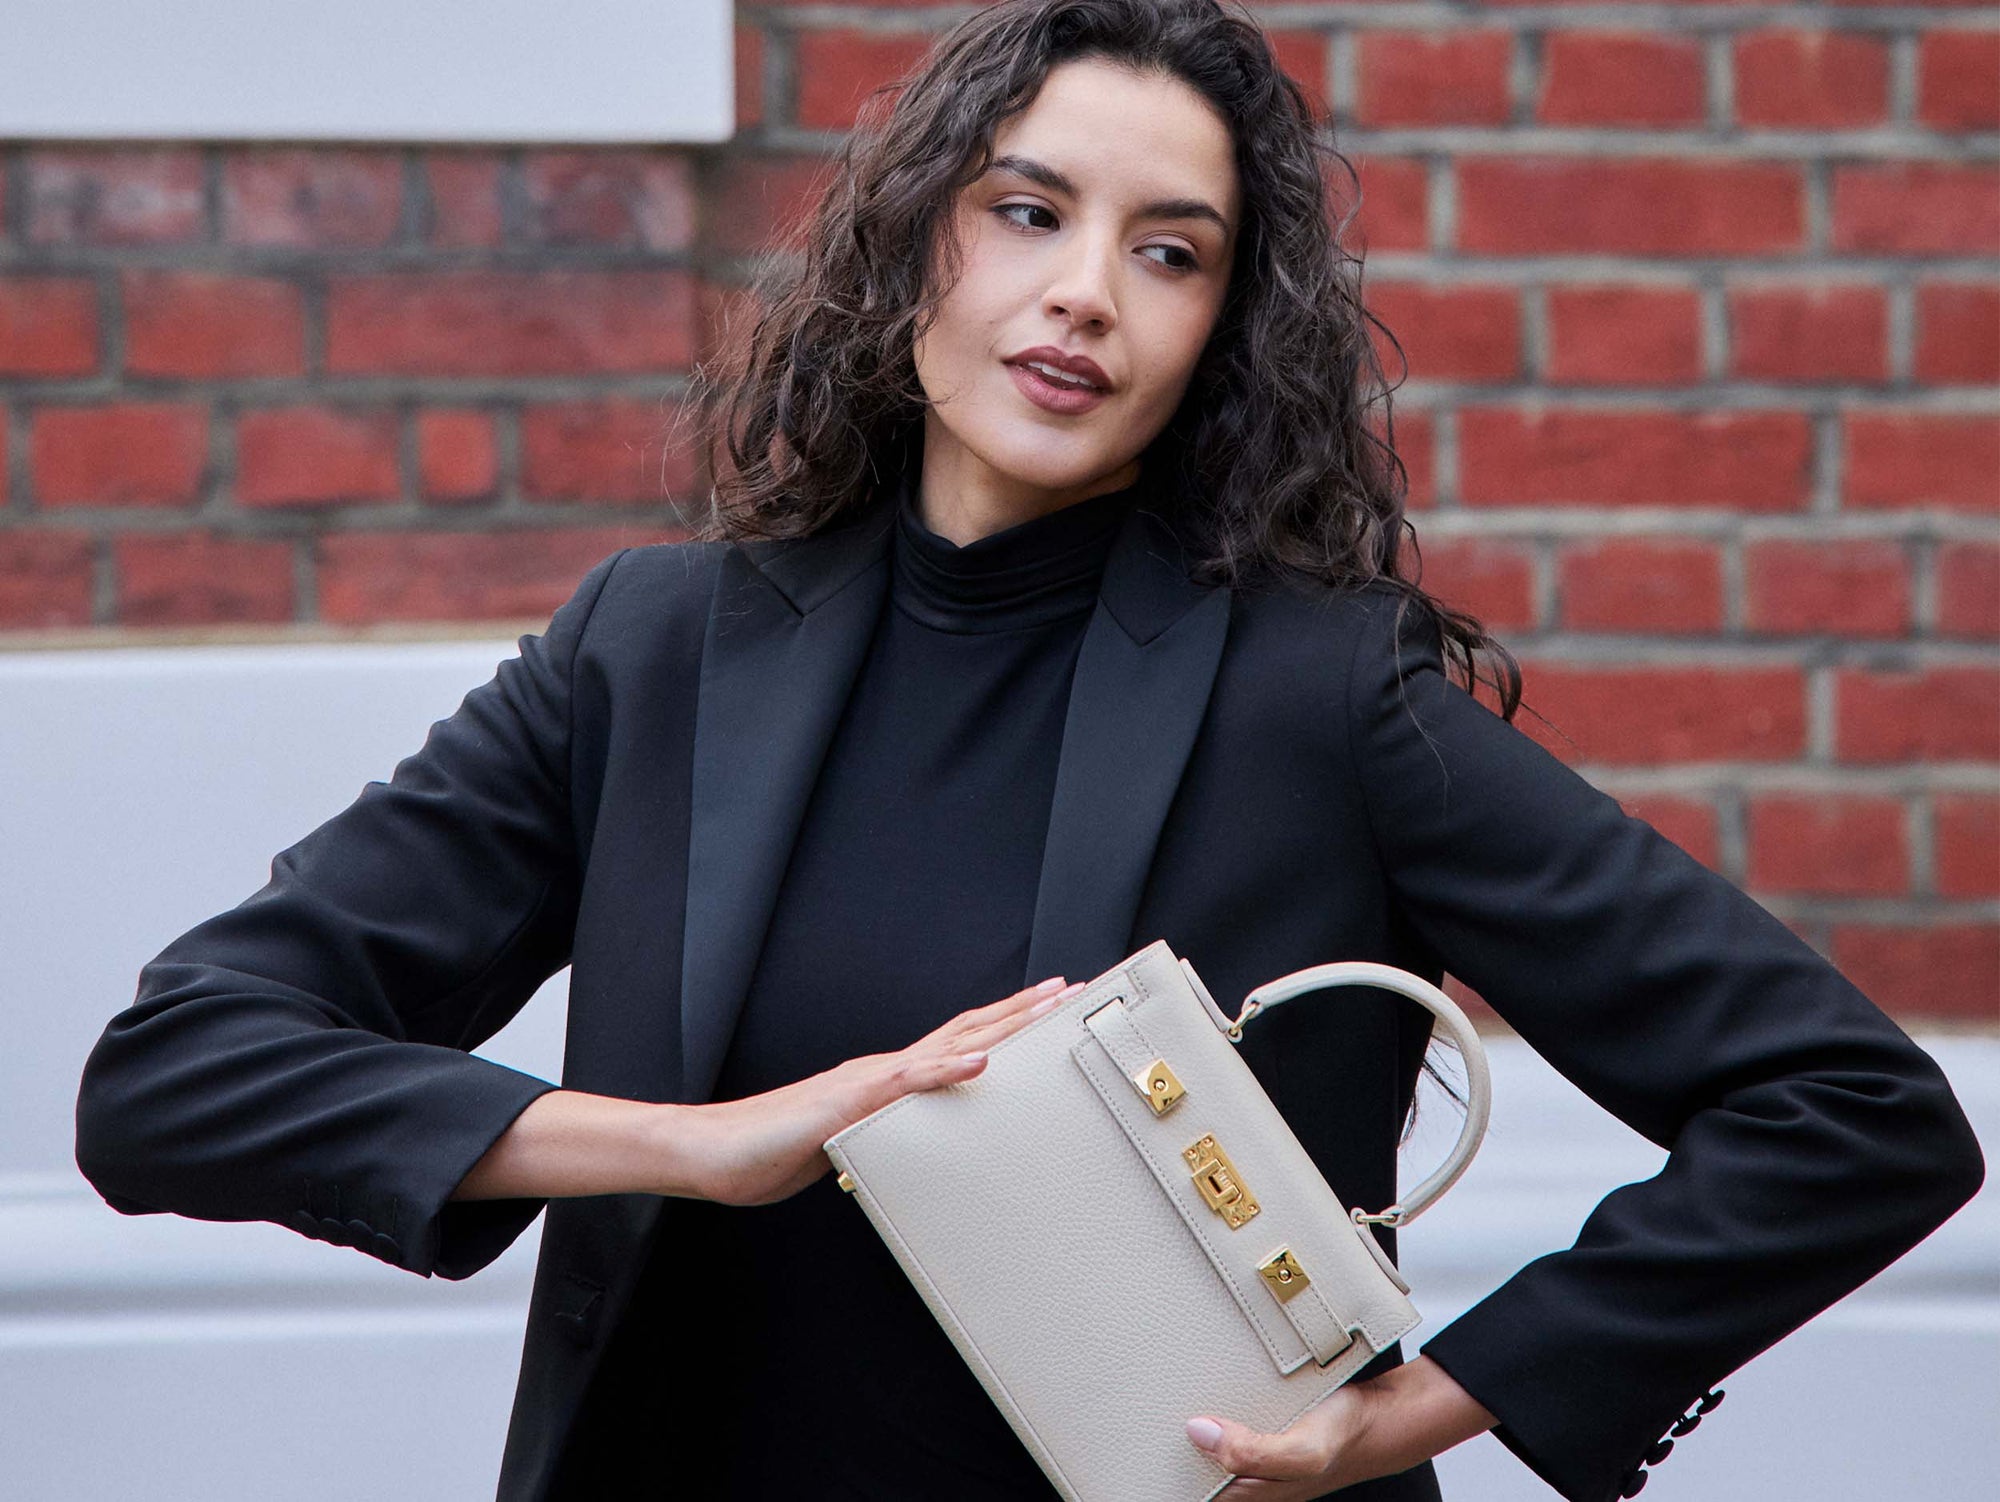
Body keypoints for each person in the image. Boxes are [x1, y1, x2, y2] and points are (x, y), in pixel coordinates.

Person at [75, 3, 1982, 1500]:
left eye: (1172, 252)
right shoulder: (655, 650)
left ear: (1219, 332)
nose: (1085, 289)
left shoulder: (1325, 699)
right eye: (1028, 210)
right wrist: (690, 1149)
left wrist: (1417, 1415)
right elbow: (179, 1071)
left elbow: (1847, 1113)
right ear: (919, 246)